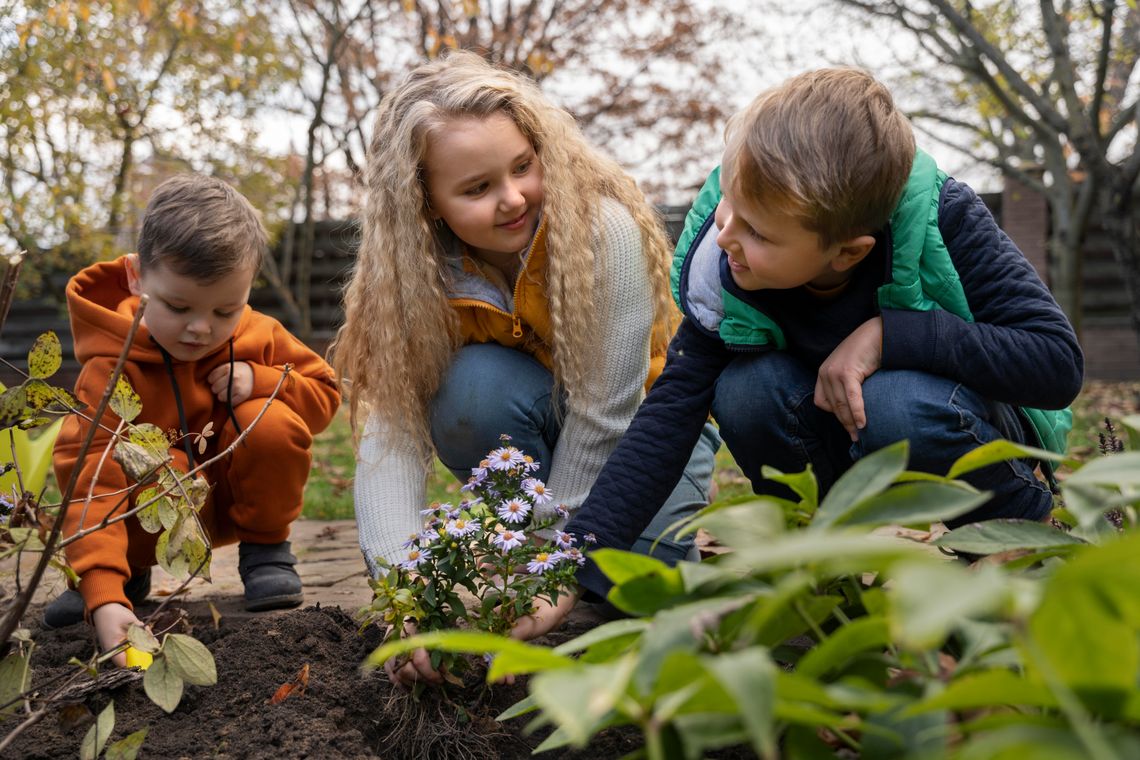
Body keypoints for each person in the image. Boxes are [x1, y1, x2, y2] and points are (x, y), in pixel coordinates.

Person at [525, 67, 1084, 635]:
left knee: (898, 404)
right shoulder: (724, 271)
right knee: (745, 388)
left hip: (951, 427)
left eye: (760, 234)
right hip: (834, 439)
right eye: (729, 205)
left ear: (847, 252)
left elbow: (1055, 363)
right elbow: (668, 417)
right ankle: (819, 578)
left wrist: (894, 336)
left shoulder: (942, 221)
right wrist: (571, 569)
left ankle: (1026, 546)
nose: (725, 236)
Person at [329, 50, 720, 685]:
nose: (512, 198)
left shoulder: (602, 231)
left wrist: (551, 568)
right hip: (527, 423)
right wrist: (402, 591)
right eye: (478, 188)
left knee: (642, 595)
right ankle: (557, 561)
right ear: (427, 202)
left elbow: (603, 417)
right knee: (469, 390)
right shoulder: (409, 278)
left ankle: (588, 564)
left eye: (522, 167)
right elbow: (391, 436)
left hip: (646, 439)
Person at [47, 174, 341, 663]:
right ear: (138, 276)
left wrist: (263, 380)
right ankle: (126, 570)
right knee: (139, 462)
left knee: (268, 422)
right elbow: (92, 477)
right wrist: (102, 590)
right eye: (178, 307)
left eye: (226, 309)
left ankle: (266, 549)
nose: (201, 328)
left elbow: (325, 396)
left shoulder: (260, 334)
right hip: (151, 516)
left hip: (229, 498)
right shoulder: (111, 368)